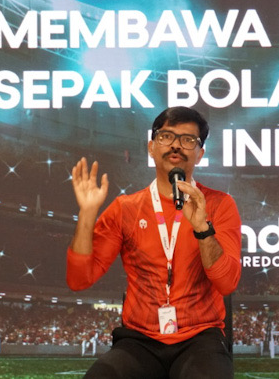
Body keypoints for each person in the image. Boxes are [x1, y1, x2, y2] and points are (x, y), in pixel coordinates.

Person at [66, 106, 242, 378]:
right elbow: (79, 279)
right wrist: (87, 214)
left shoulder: (219, 204)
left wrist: (202, 229)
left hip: (200, 337)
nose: (176, 145)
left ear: (200, 154)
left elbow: (227, 283)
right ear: (151, 147)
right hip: (139, 340)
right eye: (166, 136)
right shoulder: (125, 208)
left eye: (188, 140)